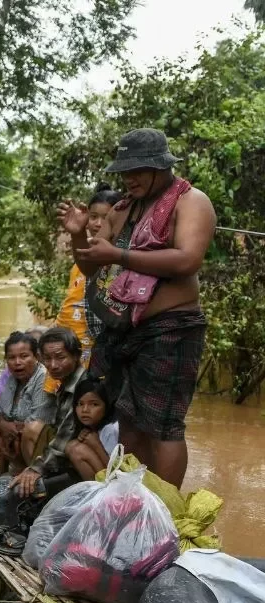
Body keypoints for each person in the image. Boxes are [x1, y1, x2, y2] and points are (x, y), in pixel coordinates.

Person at [58, 128, 216, 488]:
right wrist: (79, 234)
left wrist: (117, 254)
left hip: (171, 327)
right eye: (124, 172)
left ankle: (166, 510)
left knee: (164, 426)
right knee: (129, 420)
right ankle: (136, 500)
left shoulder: (191, 202)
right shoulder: (122, 209)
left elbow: (187, 260)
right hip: (125, 328)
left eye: (138, 171)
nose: (129, 179)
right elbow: (90, 266)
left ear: (162, 167)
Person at [53, 185, 124, 367]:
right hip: (73, 345)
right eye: (93, 217)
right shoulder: (83, 254)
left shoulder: (123, 255)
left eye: (106, 218)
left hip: (106, 350)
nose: (98, 224)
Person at [11, 328, 87, 497]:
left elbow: (66, 436)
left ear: (76, 356)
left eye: (60, 357)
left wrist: (36, 469)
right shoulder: (65, 383)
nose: (53, 365)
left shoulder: (82, 388)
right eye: (47, 358)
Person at [0, 332, 47, 474]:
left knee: (24, 429)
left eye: (24, 356)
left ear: (36, 357)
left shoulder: (42, 377)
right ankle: (4, 470)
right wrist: (2, 423)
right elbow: (0, 406)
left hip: (39, 433)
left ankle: (31, 471)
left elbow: (37, 417)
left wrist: (9, 424)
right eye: (11, 357)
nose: (17, 362)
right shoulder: (12, 376)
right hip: (17, 426)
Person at [63, 376, 114, 480]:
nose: (85, 410)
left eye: (94, 404)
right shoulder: (89, 428)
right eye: (80, 404)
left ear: (107, 406)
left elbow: (118, 470)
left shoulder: (111, 429)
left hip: (119, 482)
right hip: (107, 476)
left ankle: (99, 492)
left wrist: (96, 444)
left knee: (78, 450)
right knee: (71, 446)